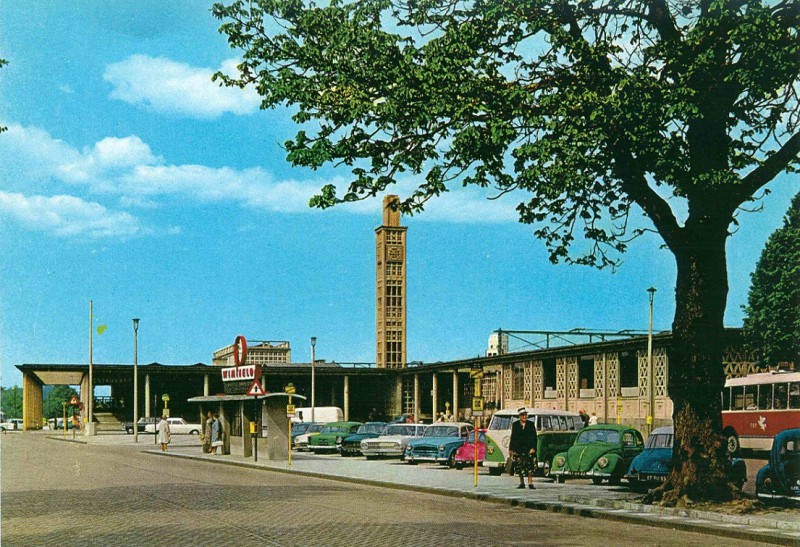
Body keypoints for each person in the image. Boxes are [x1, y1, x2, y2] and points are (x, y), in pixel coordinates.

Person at [509, 407, 537, 490]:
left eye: (525, 415)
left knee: (530, 467)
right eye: (523, 415)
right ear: (519, 416)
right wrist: (511, 449)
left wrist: (533, 448)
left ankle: (530, 483)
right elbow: (513, 437)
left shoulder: (531, 424)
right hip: (518, 449)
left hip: (528, 449)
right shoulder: (515, 425)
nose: (525, 417)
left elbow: (534, 438)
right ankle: (522, 483)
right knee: (519, 466)